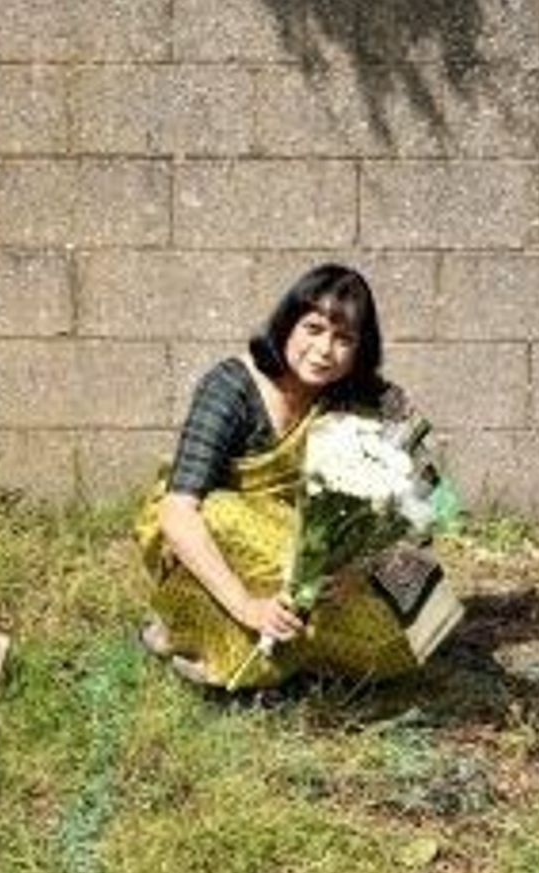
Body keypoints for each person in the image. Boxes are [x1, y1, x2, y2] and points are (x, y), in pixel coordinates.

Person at [135, 263, 450, 690]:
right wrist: (247, 606)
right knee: (220, 511)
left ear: (361, 348)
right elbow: (178, 512)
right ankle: (195, 625)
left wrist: (358, 571)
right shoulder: (231, 387)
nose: (324, 349)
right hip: (222, 546)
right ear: (287, 324)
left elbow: (427, 507)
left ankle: (293, 648)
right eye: (314, 328)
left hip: (319, 560)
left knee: (399, 648)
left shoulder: (371, 400)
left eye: (344, 339)